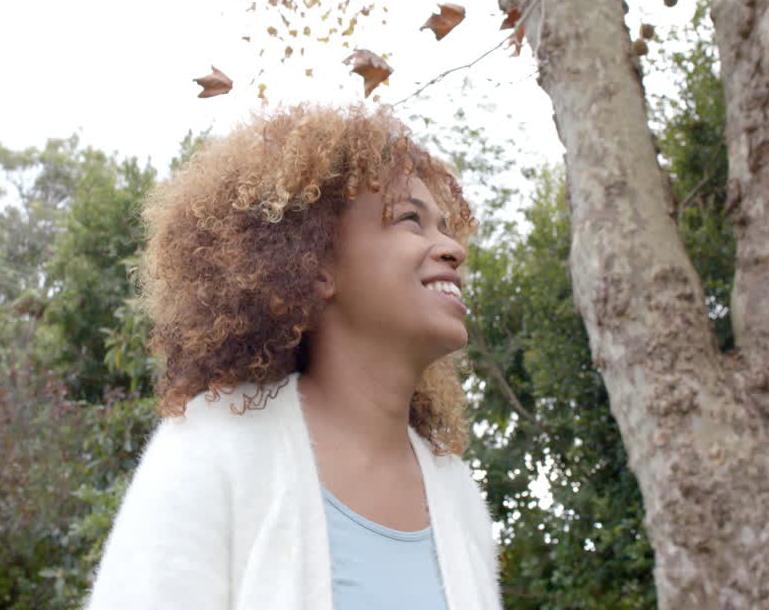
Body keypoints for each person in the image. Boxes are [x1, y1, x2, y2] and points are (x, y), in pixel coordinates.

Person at [84, 104, 503, 610]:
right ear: (316, 265)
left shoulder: (459, 496)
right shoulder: (212, 447)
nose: (452, 248)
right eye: (411, 220)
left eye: (445, 227)